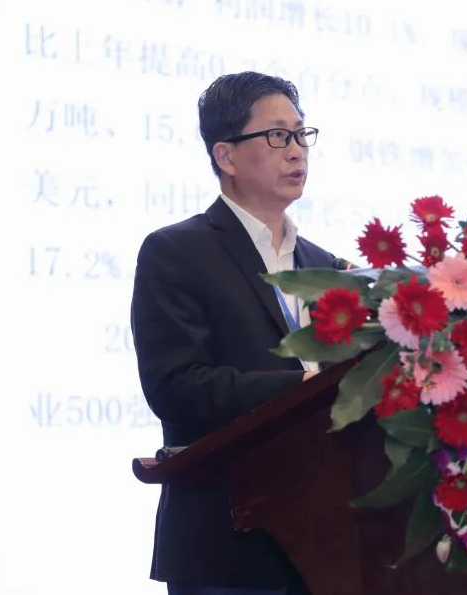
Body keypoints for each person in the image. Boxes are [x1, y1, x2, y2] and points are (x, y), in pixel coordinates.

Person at [130, 71, 337, 595]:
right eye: (278, 136)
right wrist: (308, 385)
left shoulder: (327, 268)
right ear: (225, 155)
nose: (297, 150)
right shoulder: (176, 253)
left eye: (301, 134)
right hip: (225, 548)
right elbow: (177, 388)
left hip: (329, 549)